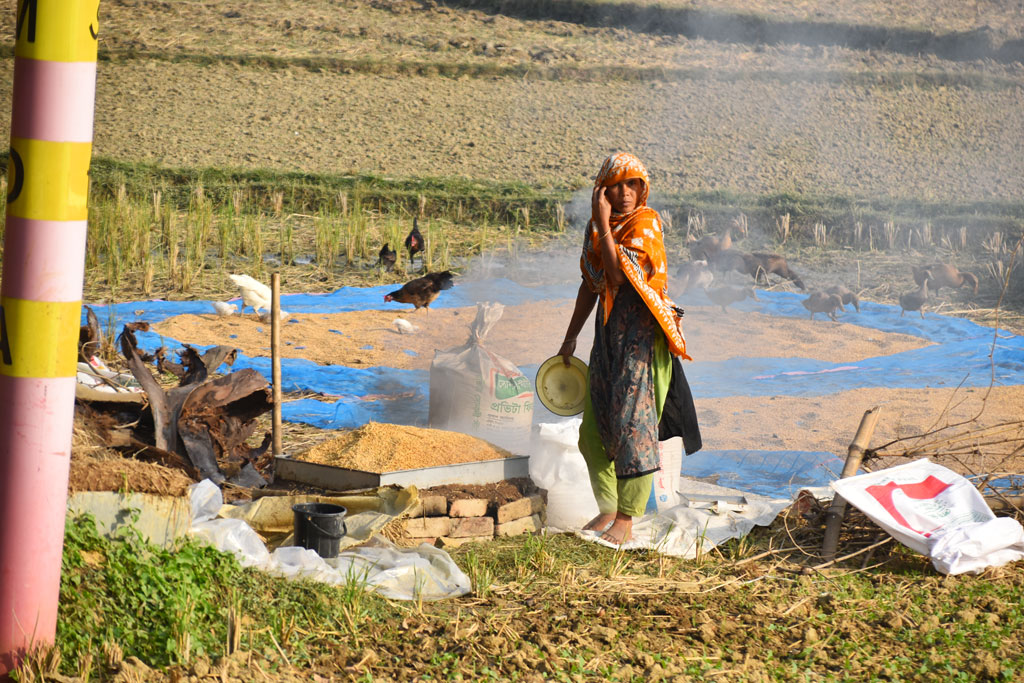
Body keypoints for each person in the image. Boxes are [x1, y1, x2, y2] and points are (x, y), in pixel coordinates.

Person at [557, 152, 698, 546]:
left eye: (632, 184)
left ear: (643, 189)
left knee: (632, 426)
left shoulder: (644, 224)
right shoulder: (597, 229)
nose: (624, 194)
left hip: (642, 338)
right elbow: (592, 283)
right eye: (615, 185)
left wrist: (602, 223)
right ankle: (608, 506)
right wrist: (571, 337)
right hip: (608, 335)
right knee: (593, 429)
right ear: (601, 190)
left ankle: (628, 518)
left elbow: (617, 276)